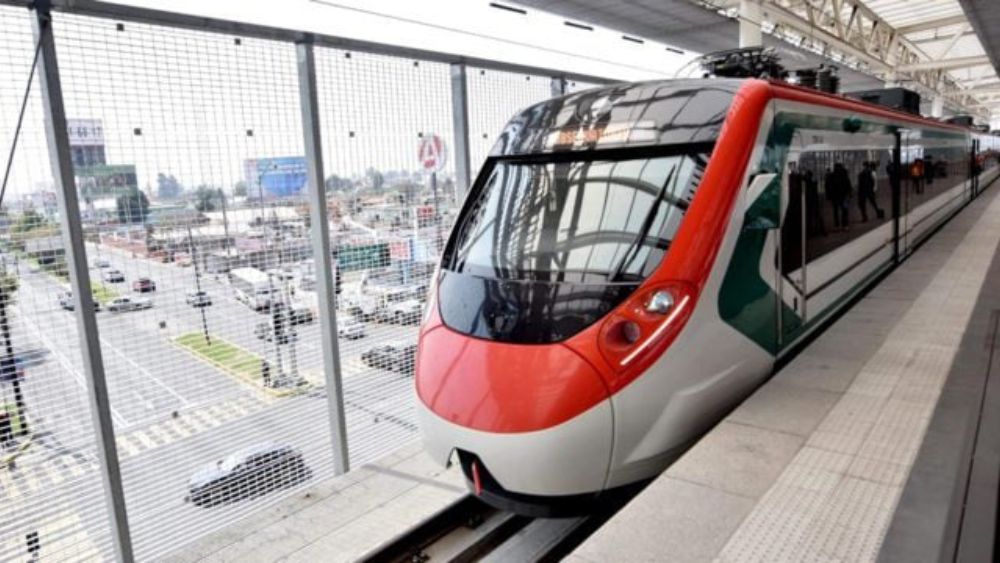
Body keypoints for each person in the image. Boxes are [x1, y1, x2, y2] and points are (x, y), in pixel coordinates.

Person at [827, 162, 852, 231]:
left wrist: (829, 197)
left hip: (835, 197)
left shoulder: (831, 176)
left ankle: (837, 226)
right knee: (844, 211)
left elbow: (828, 187)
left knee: (835, 211)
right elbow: (848, 185)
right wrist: (849, 195)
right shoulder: (844, 175)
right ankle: (845, 225)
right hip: (844, 196)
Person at [804, 169, 826, 237]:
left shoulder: (807, 183)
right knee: (817, 216)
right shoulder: (813, 183)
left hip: (809, 202)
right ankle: (821, 230)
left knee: (810, 217)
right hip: (814, 201)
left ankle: (812, 231)